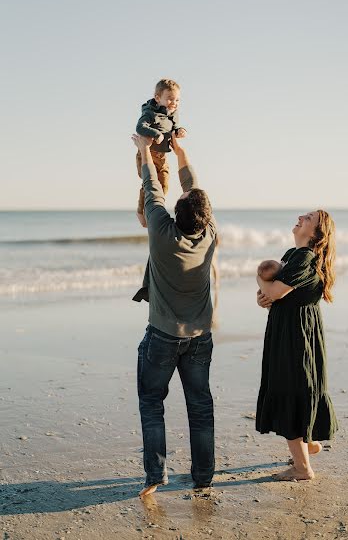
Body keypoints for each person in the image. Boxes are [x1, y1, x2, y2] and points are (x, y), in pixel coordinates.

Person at [132, 131, 217, 497]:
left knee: (152, 403)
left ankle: (155, 475)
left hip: (163, 336)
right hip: (199, 338)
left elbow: (153, 187)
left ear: (176, 214)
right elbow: (193, 189)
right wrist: (180, 151)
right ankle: (203, 477)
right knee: (200, 406)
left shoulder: (161, 233)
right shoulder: (210, 234)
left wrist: (143, 151)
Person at [255, 210, 338, 481]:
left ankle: (302, 468)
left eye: (309, 218)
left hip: (294, 334)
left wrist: (258, 279)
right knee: (301, 385)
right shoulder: (293, 254)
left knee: (289, 387)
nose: (301, 216)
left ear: (314, 233)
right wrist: (264, 297)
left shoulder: (303, 257)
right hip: (296, 328)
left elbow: (275, 290)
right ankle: (309, 443)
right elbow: (275, 293)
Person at [135, 78, 187, 227]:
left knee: (163, 186)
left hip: (162, 155)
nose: (174, 103)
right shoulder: (150, 113)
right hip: (146, 154)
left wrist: (180, 131)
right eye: (170, 99)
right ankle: (141, 210)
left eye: (177, 100)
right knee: (149, 183)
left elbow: (175, 127)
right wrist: (156, 134)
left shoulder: (172, 114)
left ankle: (152, 208)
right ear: (158, 98)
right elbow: (140, 127)